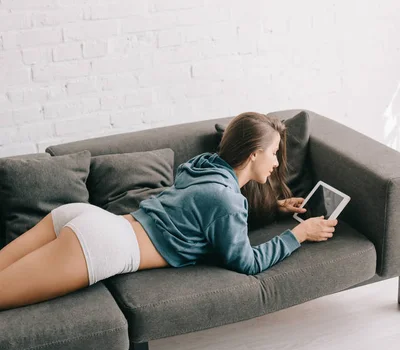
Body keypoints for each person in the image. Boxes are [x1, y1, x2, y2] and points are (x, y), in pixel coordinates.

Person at [0, 111, 337, 311]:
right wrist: (298, 233)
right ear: (252, 155)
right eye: (274, 153)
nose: (277, 162)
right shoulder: (226, 201)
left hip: (82, 218)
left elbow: (211, 206)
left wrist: (275, 208)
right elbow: (247, 262)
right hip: (102, 246)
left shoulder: (202, 166)